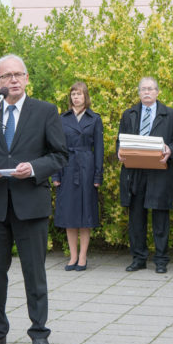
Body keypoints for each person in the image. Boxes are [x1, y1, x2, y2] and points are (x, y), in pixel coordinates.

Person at [0, 54, 67, 344]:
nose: (13, 80)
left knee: (34, 272)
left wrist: (34, 168)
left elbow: (60, 155)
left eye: (18, 74)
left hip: (30, 204)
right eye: (6, 76)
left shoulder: (45, 112)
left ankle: (39, 332)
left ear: (26, 79)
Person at [117, 77, 173, 274]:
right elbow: (119, 141)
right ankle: (138, 258)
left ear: (157, 92)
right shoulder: (128, 115)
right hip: (134, 173)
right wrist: (119, 151)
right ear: (138, 93)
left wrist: (170, 150)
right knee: (136, 218)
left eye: (151, 89)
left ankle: (161, 260)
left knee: (160, 218)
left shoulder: (170, 115)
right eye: (143, 89)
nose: (147, 92)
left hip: (159, 173)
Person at [52, 82, 104, 272]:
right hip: (67, 168)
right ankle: (72, 256)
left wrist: (98, 175)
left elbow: (99, 149)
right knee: (69, 214)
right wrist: (55, 173)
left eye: (79, 94)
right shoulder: (62, 118)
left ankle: (83, 257)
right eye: (73, 94)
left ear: (85, 97)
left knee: (85, 214)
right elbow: (56, 147)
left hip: (87, 168)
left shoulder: (95, 119)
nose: (76, 97)